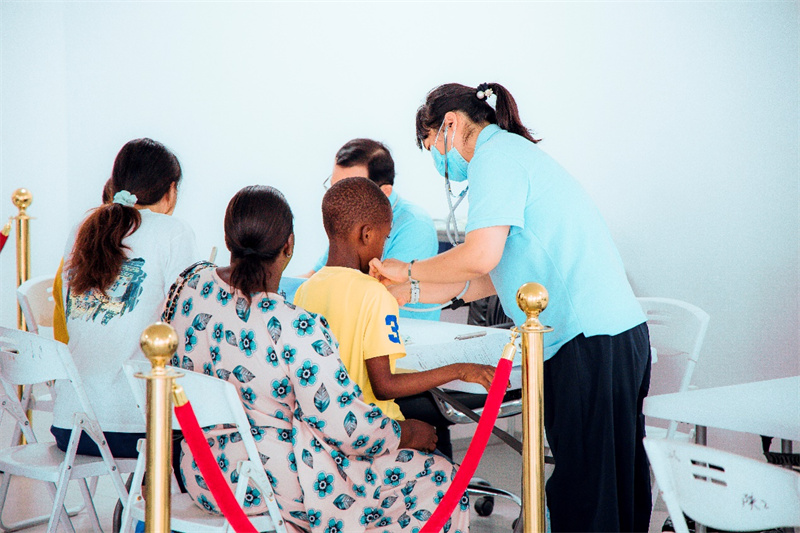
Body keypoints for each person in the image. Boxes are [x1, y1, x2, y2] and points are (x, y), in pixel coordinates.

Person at [370, 82, 652, 532]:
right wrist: (414, 292)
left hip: (587, 342)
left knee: (588, 493)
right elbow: (489, 276)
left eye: (432, 146)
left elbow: (480, 256)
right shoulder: (512, 154)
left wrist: (407, 270)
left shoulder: (494, 159)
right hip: (616, 336)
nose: (439, 161)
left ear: (450, 125)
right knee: (616, 489)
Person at [168, 185, 469, 533]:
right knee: (444, 479)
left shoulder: (188, 290)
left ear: (229, 239)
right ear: (289, 245)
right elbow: (348, 428)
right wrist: (408, 433)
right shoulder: (295, 326)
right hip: (274, 484)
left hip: (203, 473)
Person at [294, 177, 495, 459]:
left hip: (324, 436)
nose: (383, 246)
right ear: (367, 235)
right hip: (373, 435)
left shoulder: (305, 290)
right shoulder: (375, 294)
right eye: (385, 237)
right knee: (446, 469)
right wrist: (460, 370)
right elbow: (384, 386)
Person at [53, 138, 198, 459]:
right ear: (170, 190)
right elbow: (186, 321)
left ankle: (137, 492)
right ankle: (147, 492)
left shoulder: (82, 228)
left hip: (68, 424)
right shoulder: (174, 231)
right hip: (136, 427)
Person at [304, 138, 440, 320]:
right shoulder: (349, 216)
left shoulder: (416, 226)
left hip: (400, 329)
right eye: (334, 189)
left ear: (384, 192)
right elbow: (317, 277)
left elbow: (383, 296)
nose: (338, 200)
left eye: (350, 193)